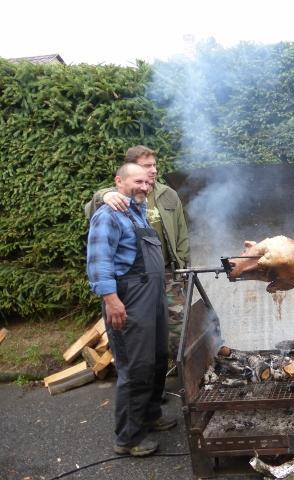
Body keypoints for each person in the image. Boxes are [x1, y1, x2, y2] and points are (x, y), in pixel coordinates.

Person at [87, 163, 176, 457]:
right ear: (119, 182)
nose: (144, 187)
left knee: (157, 359)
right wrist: (111, 300)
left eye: (147, 183)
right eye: (138, 181)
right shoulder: (107, 215)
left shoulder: (137, 213)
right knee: (135, 367)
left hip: (152, 298)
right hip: (129, 300)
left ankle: (150, 414)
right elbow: (99, 261)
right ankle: (128, 438)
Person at [85, 145, 190, 360]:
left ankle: (176, 368)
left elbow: (182, 233)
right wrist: (105, 195)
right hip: (137, 279)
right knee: (141, 330)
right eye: (147, 166)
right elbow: (92, 210)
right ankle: (144, 371)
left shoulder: (168, 194)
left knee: (177, 325)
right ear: (131, 168)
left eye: (154, 165)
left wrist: (183, 265)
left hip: (168, 273)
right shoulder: (117, 195)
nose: (153, 170)